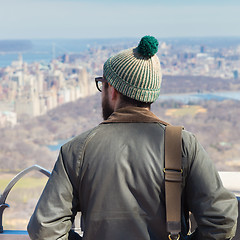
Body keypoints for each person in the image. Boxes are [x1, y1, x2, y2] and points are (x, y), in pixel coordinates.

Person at [27, 36, 238, 240]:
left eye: (103, 84)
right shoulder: (182, 144)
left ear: (113, 91)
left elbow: (45, 229)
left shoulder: (76, 150)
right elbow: (221, 219)